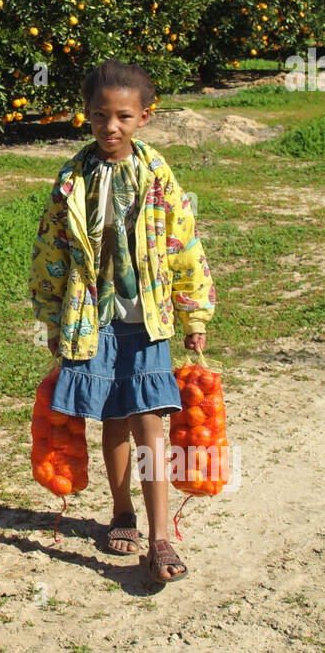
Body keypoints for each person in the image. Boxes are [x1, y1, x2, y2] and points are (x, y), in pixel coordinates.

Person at [28, 59, 216, 583]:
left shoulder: (158, 176)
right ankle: (121, 511)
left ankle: (159, 539)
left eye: (123, 118)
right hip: (94, 317)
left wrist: (193, 311)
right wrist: (50, 316)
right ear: (86, 117)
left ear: (144, 118)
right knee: (111, 416)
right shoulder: (72, 178)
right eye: (99, 117)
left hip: (146, 315)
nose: (110, 128)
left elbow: (184, 242)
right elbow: (52, 248)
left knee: (149, 422)